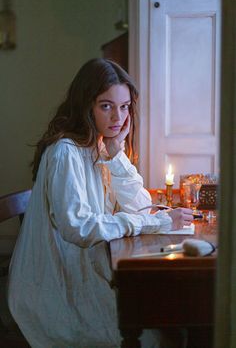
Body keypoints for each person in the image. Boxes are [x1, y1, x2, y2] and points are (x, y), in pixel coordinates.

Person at [8, 58, 193, 348]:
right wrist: (153, 221)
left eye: (124, 107)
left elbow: (139, 205)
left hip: (83, 275)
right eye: (106, 106)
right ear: (86, 106)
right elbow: (78, 227)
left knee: (171, 320)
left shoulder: (100, 146)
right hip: (55, 289)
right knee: (160, 335)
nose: (117, 117)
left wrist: (116, 155)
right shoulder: (66, 152)